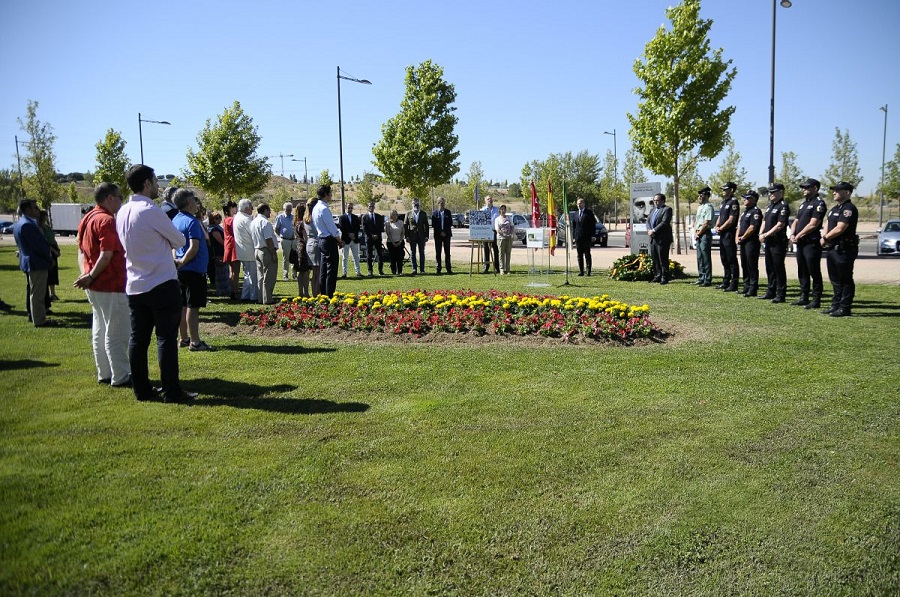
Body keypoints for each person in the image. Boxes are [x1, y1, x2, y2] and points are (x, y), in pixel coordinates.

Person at [116, 164, 196, 403]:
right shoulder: (150, 210)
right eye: (155, 180)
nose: (158, 186)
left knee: (138, 340)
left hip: (135, 283)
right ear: (147, 184)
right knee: (165, 339)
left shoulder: (122, 211)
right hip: (160, 281)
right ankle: (171, 390)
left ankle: (142, 390)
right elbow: (179, 239)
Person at [74, 182, 131, 385]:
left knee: (100, 329)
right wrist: (90, 276)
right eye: (119, 196)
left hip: (95, 284)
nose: (121, 200)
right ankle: (121, 375)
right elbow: (107, 254)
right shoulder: (106, 221)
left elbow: (81, 251)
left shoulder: (87, 218)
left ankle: (105, 373)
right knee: (117, 332)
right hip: (110, 284)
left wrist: (87, 275)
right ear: (109, 198)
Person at [171, 188, 214, 352]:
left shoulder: (175, 220)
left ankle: (184, 338)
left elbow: (174, 246)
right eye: (195, 201)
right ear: (189, 202)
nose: (197, 204)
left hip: (181, 271)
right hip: (194, 270)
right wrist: (182, 262)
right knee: (193, 307)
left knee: (183, 305)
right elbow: (194, 247)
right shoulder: (192, 222)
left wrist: (178, 262)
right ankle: (195, 342)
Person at [820, 181, 859, 317]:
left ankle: (845, 307)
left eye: (838, 190)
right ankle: (836, 305)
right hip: (832, 247)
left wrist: (825, 238)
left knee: (845, 279)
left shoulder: (848, 208)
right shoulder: (835, 209)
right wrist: (824, 236)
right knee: (835, 279)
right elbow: (828, 224)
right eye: (834, 190)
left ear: (847, 193)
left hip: (844, 248)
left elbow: (840, 228)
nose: (834, 192)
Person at [13, 198, 54, 327]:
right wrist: (49, 259)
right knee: (38, 293)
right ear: (27, 210)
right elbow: (38, 247)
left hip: (32, 262)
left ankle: (38, 317)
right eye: (35, 207)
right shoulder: (27, 225)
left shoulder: (22, 223)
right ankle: (40, 320)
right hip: (36, 262)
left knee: (35, 291)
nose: (38, 210)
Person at [790, 178, 827, 309]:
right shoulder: (803, 204)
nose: (804, 190)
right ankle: (803, 296)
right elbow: (796, 220)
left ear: (815, 188)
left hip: (811, 242)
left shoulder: (819, 204)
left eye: (807, 187)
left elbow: (813, 224)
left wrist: (799, 235)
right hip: (800, 242)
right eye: (803, 188)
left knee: (814, 271)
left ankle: (816, 299)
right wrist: (793, 234)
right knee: (802, 270)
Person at [758, 183, 791, 303]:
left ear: (781, 192)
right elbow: (765, 221)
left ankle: (781, 294)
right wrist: (761, 233)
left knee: (778, 268)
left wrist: (766, 234)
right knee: (770, 267)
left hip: (778, 241)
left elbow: (780, 224)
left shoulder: (783, 206)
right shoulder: (770, 206)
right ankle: (771, 291)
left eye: (773, 192)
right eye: (769, 192)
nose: (770, 194)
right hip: (769, 241)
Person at [311, 185, 343, 297]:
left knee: (323, 270)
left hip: (321, 239)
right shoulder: (324, 209)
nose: (331, 195)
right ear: (325, 194)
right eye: (330, 193)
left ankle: (323, 293)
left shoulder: (315, 208)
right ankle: (329, 294)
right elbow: (332, 228)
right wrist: (339, 240)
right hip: (328, 240)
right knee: (331, 270)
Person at [714, 182, 740, 291]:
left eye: (726, 189)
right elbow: (720, 216)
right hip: (722, 233)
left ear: (732, 190)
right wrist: (717, 226)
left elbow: (731, 219)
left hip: (729, 233)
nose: (723, 191)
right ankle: (726, 281)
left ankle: (734, 283)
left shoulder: (734, 202)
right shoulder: (724, 202)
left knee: (731, 258)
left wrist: (722, 227)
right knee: (724, 258)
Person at [736, 190, 763, 297]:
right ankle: (746, 286)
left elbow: (752, 227)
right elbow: (740, 225)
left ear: (754, 199)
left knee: (752, 265)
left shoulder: (756, 212)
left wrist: (743, 237)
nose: (744, 200)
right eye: (744, 198)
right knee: (744, 264)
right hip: (743, 241)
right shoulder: (745, 212)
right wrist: (738, 237)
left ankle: (753, 288)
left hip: (751, 242)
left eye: (747, 198)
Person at [251, 203, 278, 304]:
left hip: (257, 250)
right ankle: (268, 299)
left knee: (260, 276)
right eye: (269, 210)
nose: (270, 212)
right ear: (265, 210)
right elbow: (269, 240)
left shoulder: (253, 222)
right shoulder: (265, 222)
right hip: (266, 250)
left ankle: (261, 298)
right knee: (269, 276)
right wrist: (273, 253)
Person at [233, 198, 258, 302]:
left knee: (247, 274)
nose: (252, 209)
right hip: (249, 250)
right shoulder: (246, 219)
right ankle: (253, 296)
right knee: (253, 275)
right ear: (247, 208)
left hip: (242, 250)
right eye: (251, 207)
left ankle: (245, 295)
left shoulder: (237, 217)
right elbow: (254, 234)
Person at [647, 193, 673, 284]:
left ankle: (664, 277)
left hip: (663, 238)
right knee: (655, 258)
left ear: (663, 201)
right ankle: (657, 275)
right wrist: (649, 229)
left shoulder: (667, 209)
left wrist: (654, 230)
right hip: (653, 238)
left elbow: (664, 222)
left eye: (657, 200)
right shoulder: (653, 210)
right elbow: (648, 221)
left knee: (663, 259)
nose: (655, 202)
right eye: (654, 200)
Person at [38, 210, 61, 301]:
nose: (47, 217)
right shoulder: (40, 228)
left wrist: (57, 249)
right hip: (48, 251)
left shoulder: (47, 227)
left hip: (54, 249)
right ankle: (47, 295)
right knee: (49, 273)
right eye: (45, 215)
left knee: (54, 273)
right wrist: (53, 251)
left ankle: (53, 294)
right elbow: (45, 242)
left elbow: (53, 239)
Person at [694, 186, 714, 286]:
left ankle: (707, 278)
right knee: (699, 256)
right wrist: (695, 232)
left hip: (704, 233)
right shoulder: (700, 207)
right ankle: (701, 277)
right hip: (698, 233)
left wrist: (699, 233)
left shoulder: (708, 207)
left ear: (707, 195)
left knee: (705, 256)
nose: (699, 197)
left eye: (701, 195)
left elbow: (706, 223)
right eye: (699, 195)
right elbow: (697, 221)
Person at [573, 197, 597, 277]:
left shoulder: (589, 213)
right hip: (578, 237)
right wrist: (574, 236)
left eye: (580, 203)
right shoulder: (576, 213)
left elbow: (593, 225)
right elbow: (574, 226)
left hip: (586, 237)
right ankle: (581, 271)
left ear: (583, 204)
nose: (578, 205)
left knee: (587, 254)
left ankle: (588, 271)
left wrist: (593, 235)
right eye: (577, 204)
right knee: (579, 255)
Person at [208, 212, 230, 297]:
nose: (219, 219)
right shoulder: (213, 229)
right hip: (218, 253)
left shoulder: (218, 227)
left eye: (219, 217)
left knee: (224, 272)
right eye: (216, 218)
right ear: (212, 219)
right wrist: (228, 245)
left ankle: (225, 290)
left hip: (222, 252)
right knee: (220, 274)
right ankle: (221, 291)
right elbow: (220, 241)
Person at [302, 197, 321, 296]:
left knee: (314, 273)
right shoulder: (314, 217)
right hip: (316, 243)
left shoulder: (305, 217)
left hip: (309, 244)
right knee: (318, 273)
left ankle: (314, 293)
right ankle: (316, 294)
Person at [404, 198, 429, 275]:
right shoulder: (408, 213)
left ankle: (422, 269)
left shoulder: (423, 213)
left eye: (417, 203)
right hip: (412, 236)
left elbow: (426, 225)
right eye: (414, 203)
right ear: (412, 204)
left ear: (419, 204)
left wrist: (426, 236)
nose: (416, 205)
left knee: (422, 252)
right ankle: (414, 269)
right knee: (413, 252)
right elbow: (405, 225)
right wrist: (406, 236)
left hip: (421, 236)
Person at [221, 200, 240, 300]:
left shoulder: (225, 219)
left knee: (231, 270)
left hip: (228, 245)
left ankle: (232, 290)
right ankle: (234, 291)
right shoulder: (231, 220)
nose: (236, 209)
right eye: (234, 207)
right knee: (235, 271)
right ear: (230, 209)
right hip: (233, 245)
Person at [293, 203, 313, 297]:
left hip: (298, 247)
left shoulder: (296, 222)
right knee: (306, 272)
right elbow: (306, 238)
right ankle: (306, 292)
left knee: (300, 272)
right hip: (304, 248)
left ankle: (300, 292)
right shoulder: (302, 224)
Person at [274, 201, 297, 281]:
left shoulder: (294, 217)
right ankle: (285, 275)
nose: (289, 211)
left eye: (290, 209)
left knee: (294, 257)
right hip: (285, 240)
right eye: (287, 209)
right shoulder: (280, 217)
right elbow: (276, 229)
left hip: (293, 240)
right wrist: (280, 237)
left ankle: (294, 274)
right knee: (286, 258)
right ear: (284, 209)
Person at [362, 201, 385, 276]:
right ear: (367, 207)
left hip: (378, 238)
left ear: (374, 207)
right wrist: (371, 235)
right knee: (369, 255)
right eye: (369, 206)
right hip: (369, 238)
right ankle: (370, 271)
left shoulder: (379, 216)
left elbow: (381, 227)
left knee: (380, 254)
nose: (371, 208)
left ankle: (380, 270)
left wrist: (377, 235)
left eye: (372, 206)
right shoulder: (364, 217)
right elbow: (365, 229)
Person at [339, 202, 362, 278]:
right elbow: (342, 228)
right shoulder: (342, 217)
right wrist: (349, 234)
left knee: (356, 257)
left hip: (354, 239)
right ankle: (344, 273)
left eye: (351, 208)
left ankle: (358, 272)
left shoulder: (355, 217)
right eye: (349, 208)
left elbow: (357, 227)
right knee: (345, 257)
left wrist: (354, 235)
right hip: (346, 239)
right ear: (346, 208)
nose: (350, 209)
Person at [431, 196, 453, 274]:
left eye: (443, 202)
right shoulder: (434, 213)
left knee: (447, 252)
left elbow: (450, 223)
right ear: (437, 203)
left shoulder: (448, 212)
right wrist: (440, 232)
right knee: (438, 252)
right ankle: (438, 268)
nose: (441, 204)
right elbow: (434, 225)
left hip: (447, 235)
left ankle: (448, 268)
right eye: (440, 202)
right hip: (437, 235)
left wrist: (445, 232)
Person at [481, 195, 500, 273]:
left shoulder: (497, 210)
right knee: (486, 249)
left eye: (491, 199)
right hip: (485, 232)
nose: (490, 200)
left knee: (496, 249)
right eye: (488, 199)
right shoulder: (482, 210)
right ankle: (486, 266)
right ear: (485, 201)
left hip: (494, 231)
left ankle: (497, 267)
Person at [494, 204, 514, 275]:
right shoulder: (497, 219)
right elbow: (497, 229)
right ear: (499, 210)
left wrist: (510, 234)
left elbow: (512, 226)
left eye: (504, 209)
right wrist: (504, 234)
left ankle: (508, 269)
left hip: (508, 238)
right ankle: (501, 269)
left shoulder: (509, 218)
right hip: (501, 238)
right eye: (502, 209)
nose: (503, 211)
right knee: (501, 254)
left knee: (508, 253)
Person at [385, 210, 405, 274]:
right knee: (392, 258)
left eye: (396, 214)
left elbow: (403, 232)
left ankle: (400, 271)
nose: (395, 216)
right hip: (390, 243)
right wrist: (393, 242)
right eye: (393, 214)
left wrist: (400, 241)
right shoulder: (388, 223)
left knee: (399, 257)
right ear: (390, 215)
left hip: (399, 242)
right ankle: (393, 271)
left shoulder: (401, 222)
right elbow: (388, 233)